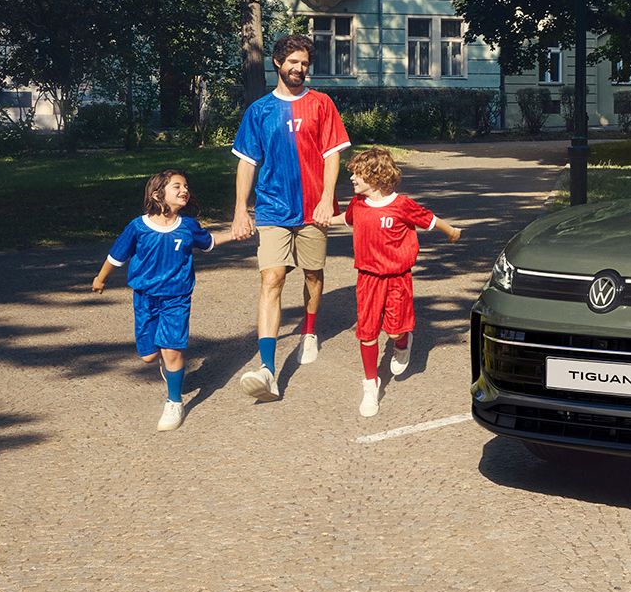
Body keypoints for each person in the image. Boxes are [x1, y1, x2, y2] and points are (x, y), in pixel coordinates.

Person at [224, 34, 349, 401]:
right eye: (293, 61)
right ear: (277, 63)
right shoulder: (259, 111)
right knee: (272, 279)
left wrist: (328, 200)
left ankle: (309, 330)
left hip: (313, 209)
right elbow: (247, 162)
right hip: (273, 208)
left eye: (305, 63)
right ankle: (268, 369)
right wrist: (239, 211)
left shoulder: (322, 104)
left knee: (313, 274)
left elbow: (332, 156)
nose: (299, 68)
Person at [92, 170, 240, 431]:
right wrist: (101, 278)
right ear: (158, 194)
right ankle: (166, 362)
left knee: (172, 349)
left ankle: (174, 401)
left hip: (177, 298)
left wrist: (236, 233)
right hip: (145, 298)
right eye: (177, 186)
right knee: (149, 356)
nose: (184, 190)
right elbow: (116, 256)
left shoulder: (188, 226)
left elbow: (209, 242)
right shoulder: (138, 227)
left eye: (186, 186)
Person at [336, 145, 461, 417]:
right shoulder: (357, 204)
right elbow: (343, 219)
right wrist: (318, 219)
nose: (352, 179)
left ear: (376, 176)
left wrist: (451, 231)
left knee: (394, 332)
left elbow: (429, 219)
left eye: (357, 174)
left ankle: (403, 343)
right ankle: (371, 384)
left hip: (397, 279)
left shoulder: (401, 205)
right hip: (367, 278)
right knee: (367, 332)